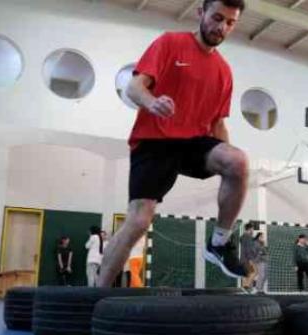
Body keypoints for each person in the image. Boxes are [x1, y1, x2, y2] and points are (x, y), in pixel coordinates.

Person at [96, 0, 248, 287]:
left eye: (230, 22)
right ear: (201, 13)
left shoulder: (224, 72)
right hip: (155, 140)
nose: (222, 27)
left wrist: (230, 166)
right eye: (217, 18)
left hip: (192, 143)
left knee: (239, 160)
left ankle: (219, 243)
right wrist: (153, 103)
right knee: (139, 221)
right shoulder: (170, 43)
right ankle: (97, 293)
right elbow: (134, 86)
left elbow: (217, 124)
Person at [240, 223, 257, 292]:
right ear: (250, 229)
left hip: (242, 259)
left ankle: (244, 288)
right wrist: (250, 259)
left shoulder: (243, 237)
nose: (253, 231)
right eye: (252, 229)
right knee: (254, 272)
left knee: (246, 274)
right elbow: (248, 249)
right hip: (247, 259)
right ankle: (246, 287)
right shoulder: (248, 237)